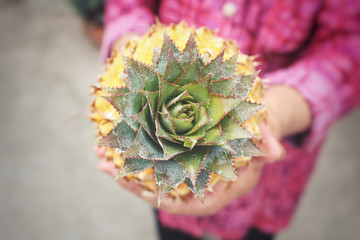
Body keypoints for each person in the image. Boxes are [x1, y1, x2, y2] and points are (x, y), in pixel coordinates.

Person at [95, 0, 360, 239]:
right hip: (167, 173)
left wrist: (273, 116)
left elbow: (349, 45)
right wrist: (131, 55)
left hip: (272, 166)